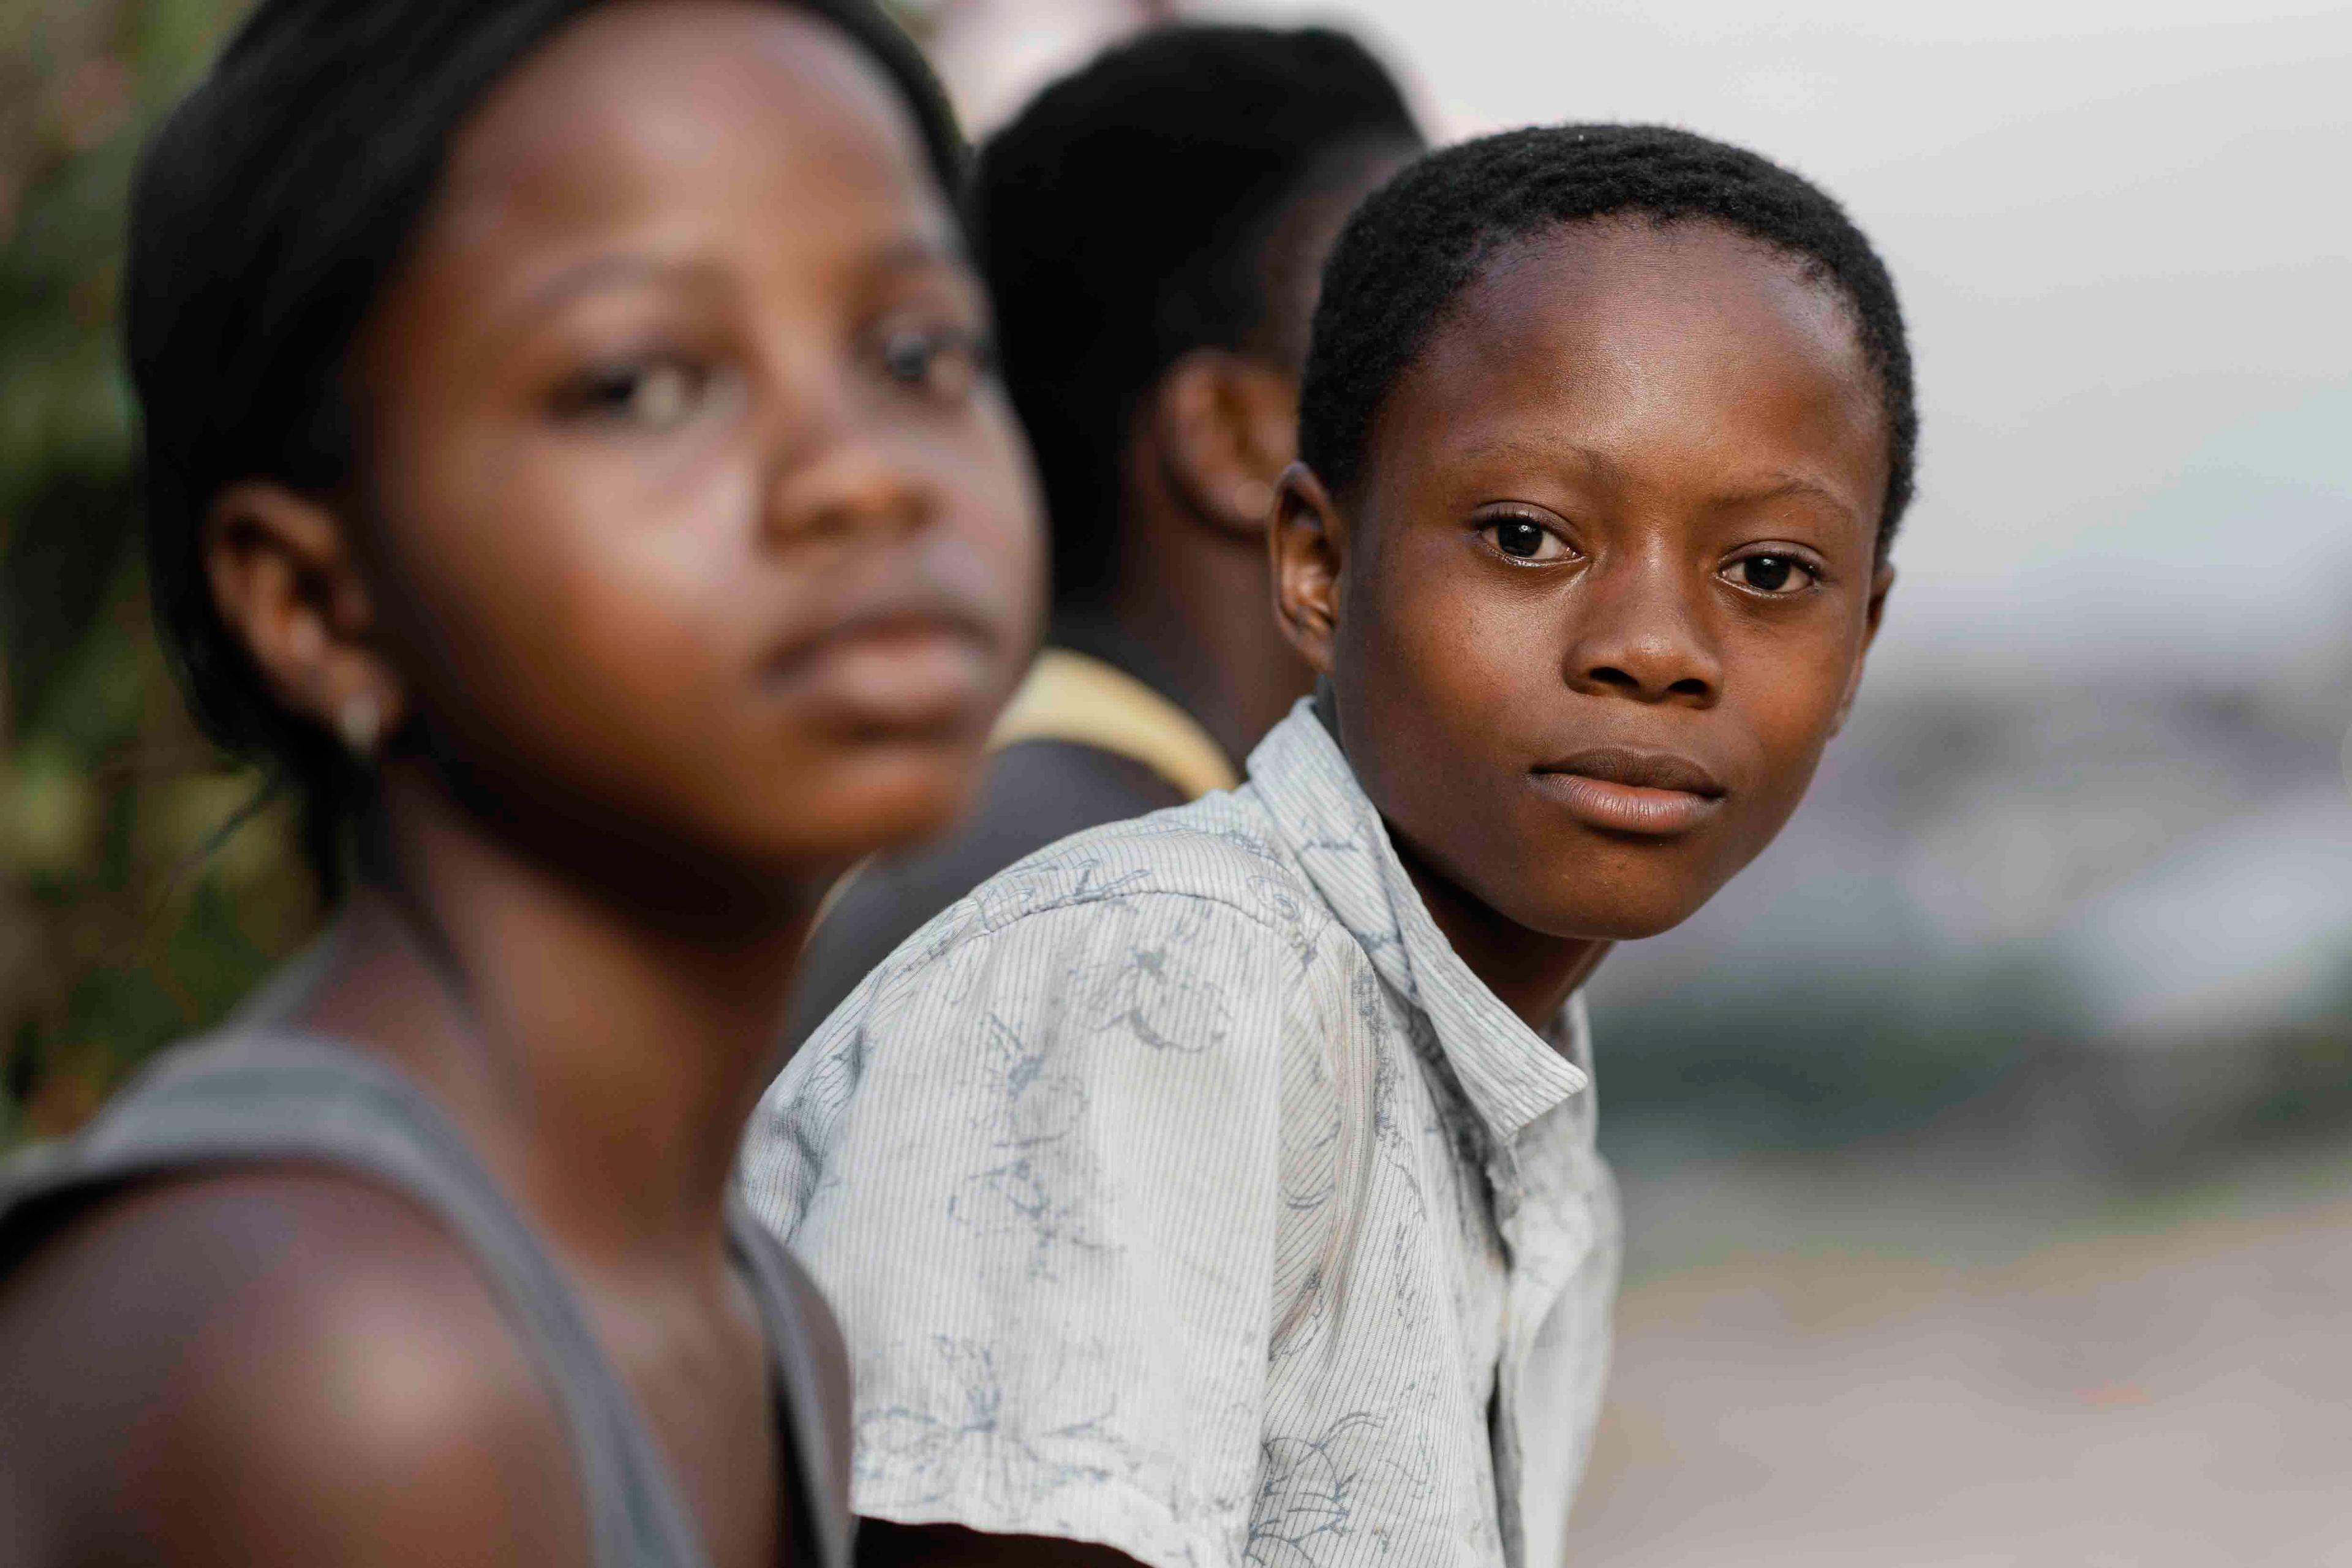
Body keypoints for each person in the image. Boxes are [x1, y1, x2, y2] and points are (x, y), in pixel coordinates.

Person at [742, 123, 1917, 1568]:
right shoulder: (1162, 987)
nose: (1655, 648)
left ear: (1860, 639)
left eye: (1768, 571)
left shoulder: (1521, 1128)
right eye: (1528, 537)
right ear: (1314, 561)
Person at [0, 2, 1042, 1564]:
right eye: (640, 386)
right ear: (316, 601)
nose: (864, 471)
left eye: (918, 353)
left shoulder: (769, 1328)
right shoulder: (344, 1362)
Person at [783, 24, 1424, 1043]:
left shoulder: (1040, 836)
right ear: (1229, 436)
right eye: (1422, 323)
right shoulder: (1119, 902)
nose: (1503, 386)